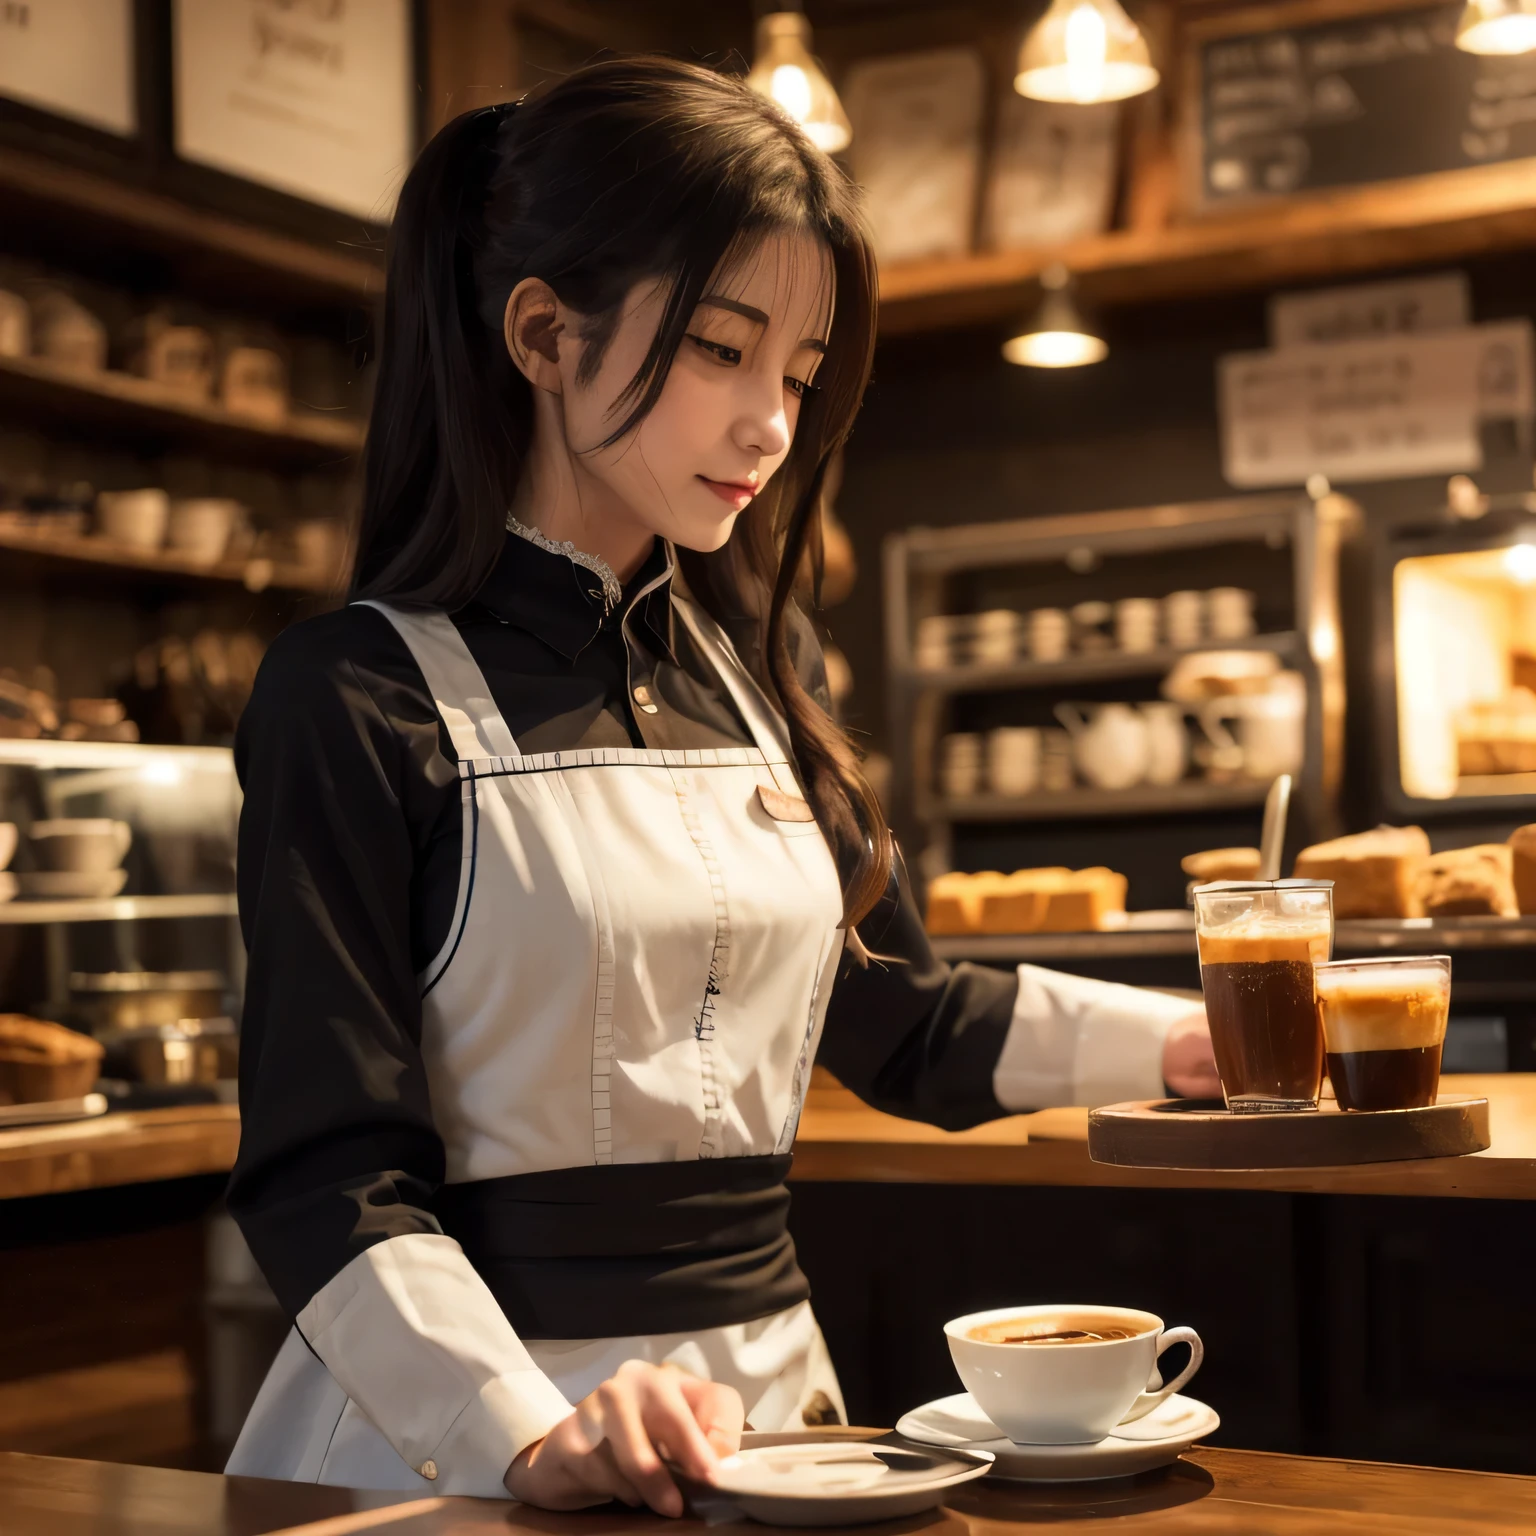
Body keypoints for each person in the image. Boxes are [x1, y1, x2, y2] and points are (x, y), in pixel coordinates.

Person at [224, 56, 1218, 1515]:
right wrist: (527, 1429)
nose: (774, 422)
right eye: (721, 350)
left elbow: (902, 1025)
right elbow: (323, 1174)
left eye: (802, 373)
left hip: (773, 1417)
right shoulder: (354, 694)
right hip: (458, 1441)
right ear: (543, 334)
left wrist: (1202, 1044)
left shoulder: (761, 669)